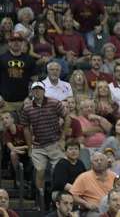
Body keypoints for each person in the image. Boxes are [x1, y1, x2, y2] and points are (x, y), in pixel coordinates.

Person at [23, 81, 71, 209]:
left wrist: (63, 139)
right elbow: (26, 128)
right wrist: (29, 147)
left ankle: (59, 201)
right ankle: (41, 201)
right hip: (38, 145)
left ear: (44, 91)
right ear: (31, 92)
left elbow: (67, 117)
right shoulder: (27, 108)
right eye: (35, 89)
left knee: (59, 170)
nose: (37, 91)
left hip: (55, 143)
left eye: (39, 89)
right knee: (39, 171)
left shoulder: (54, 103)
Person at [70, 151, 117, 216]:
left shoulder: (114, 176)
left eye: (101, 160)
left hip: (114, 209)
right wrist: (86, 204)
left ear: (106, 163)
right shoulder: (83, 177)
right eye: (96, 160)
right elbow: (72, 196)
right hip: (95, 211)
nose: (99, 162)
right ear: (91, 164)